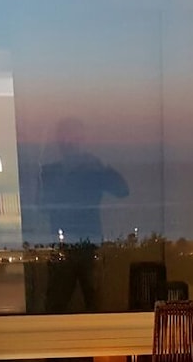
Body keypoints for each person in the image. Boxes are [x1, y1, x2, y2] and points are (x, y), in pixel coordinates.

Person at [38, 118, 129, 312]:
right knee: (56, 307)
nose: (69, 142)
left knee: (95, 306)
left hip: (88, 247)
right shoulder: (51, 171)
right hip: (65, 247)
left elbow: (122, 190)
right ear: (59, 141)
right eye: (66, 137)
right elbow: (42, 205)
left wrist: (101, 166)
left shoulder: (92, 169)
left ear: (82, 140)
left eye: (75, 137)